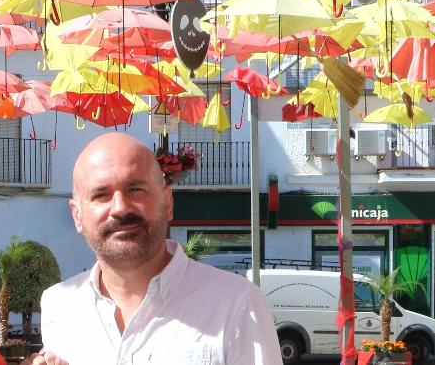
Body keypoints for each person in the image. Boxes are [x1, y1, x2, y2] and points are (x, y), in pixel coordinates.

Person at [22, 133, 281, 365]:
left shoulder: (236, 303)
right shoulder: (60, 305)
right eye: (101, 195)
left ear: (167, 202)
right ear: (77, 215)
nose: (120, 208)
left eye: (135, 189)